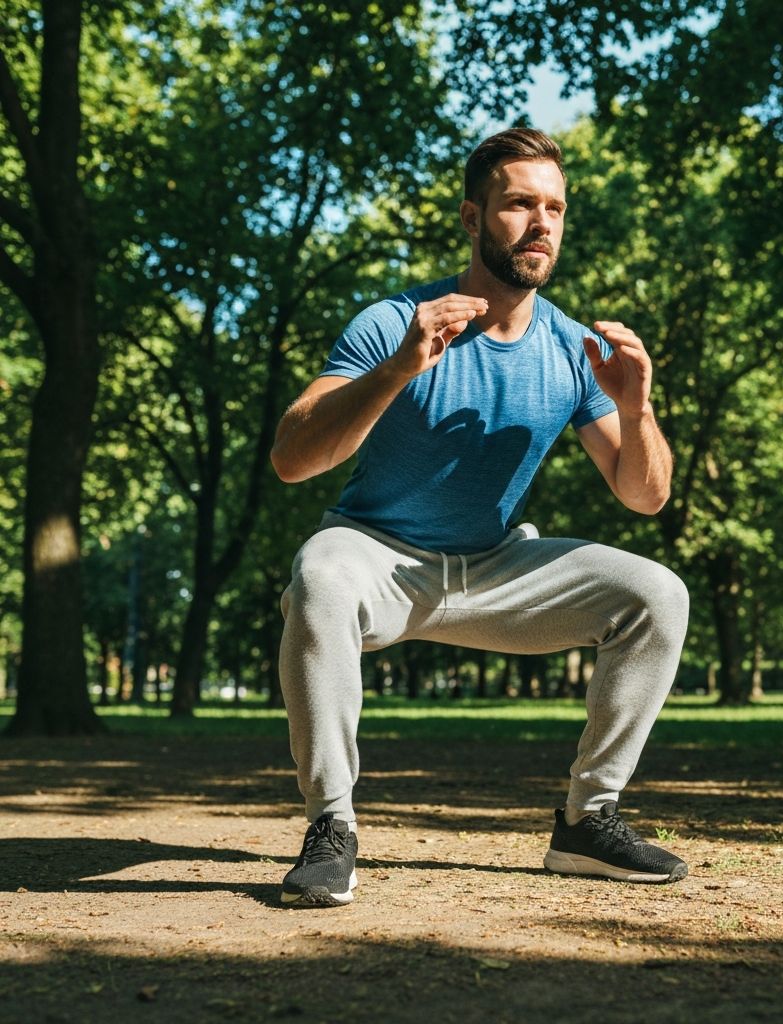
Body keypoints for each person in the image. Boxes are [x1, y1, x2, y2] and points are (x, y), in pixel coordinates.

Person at [270, 127, 690, 908]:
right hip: (379, 560)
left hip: (496, 569)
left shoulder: (571, 347)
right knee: (319, 572)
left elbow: (645, 495)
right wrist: (400, 366)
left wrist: (638, 410)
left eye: (555, 208)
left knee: (658, 592)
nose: (541, 223)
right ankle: (331, 828)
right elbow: (294, 457)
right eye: (520, 204)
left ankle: (587, 823)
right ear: (472, 219)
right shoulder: (393, 322)